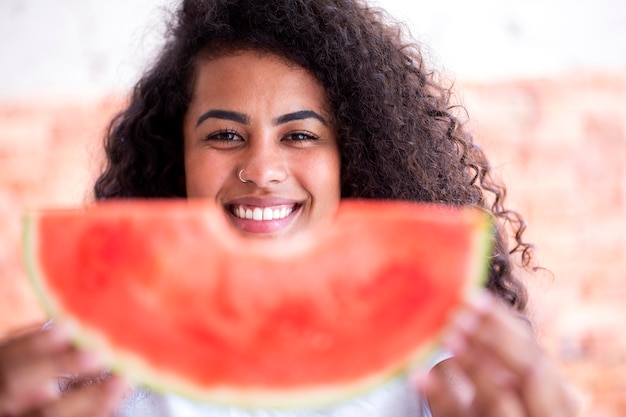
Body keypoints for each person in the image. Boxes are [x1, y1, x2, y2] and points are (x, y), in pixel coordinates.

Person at [0, 0, 580, 416]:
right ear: (177, 156)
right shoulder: (85, 359)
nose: (261, 168)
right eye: (224, 136)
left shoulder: (445, 371)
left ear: (351, 156)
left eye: (301, 136)